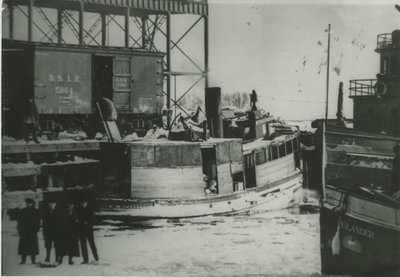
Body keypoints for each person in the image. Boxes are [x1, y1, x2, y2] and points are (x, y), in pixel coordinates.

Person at [16, 198, 40, 264]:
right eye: (27, 203)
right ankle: (23, 260)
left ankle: (33, 260)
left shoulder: (35, 211)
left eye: (29, 203)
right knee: (24, 246)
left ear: (32, 204)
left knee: (33, 247)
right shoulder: (23, 211)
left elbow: (38, 221)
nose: (28, 204)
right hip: (24, 232)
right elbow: (19, 221)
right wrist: (19, 229)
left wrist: (36, 229)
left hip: (32, 232)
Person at [77, 199, 99, 264]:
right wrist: (81, 223)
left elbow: (94, 221)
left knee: (92, 244)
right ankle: (85, 259)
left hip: (89, 230)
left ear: (87, 203)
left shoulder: (90, 210)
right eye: (82, 202)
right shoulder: (79, 210)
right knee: (83, 245)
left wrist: (88, 223)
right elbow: (77, 220)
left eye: (85, 202)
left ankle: (96, 257)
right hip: (81, 230)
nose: (84, 203)